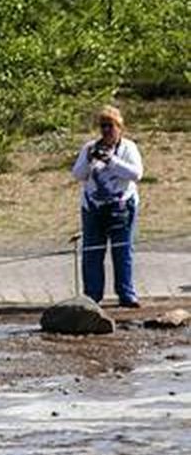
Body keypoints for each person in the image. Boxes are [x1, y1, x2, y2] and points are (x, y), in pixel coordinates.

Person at [71, 105, 144, 307]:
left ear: (119, 127)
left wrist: (111, 161)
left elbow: (136, 174)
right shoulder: (89, 148)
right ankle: (92, 296)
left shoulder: (128, 148)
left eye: (110, 126)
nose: (106, 131)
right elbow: (78, 174)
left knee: (122, 251)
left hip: (122, 207)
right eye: (103, 126)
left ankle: (126, 294)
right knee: (92, 252)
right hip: (94, 207)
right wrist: (89, 159)